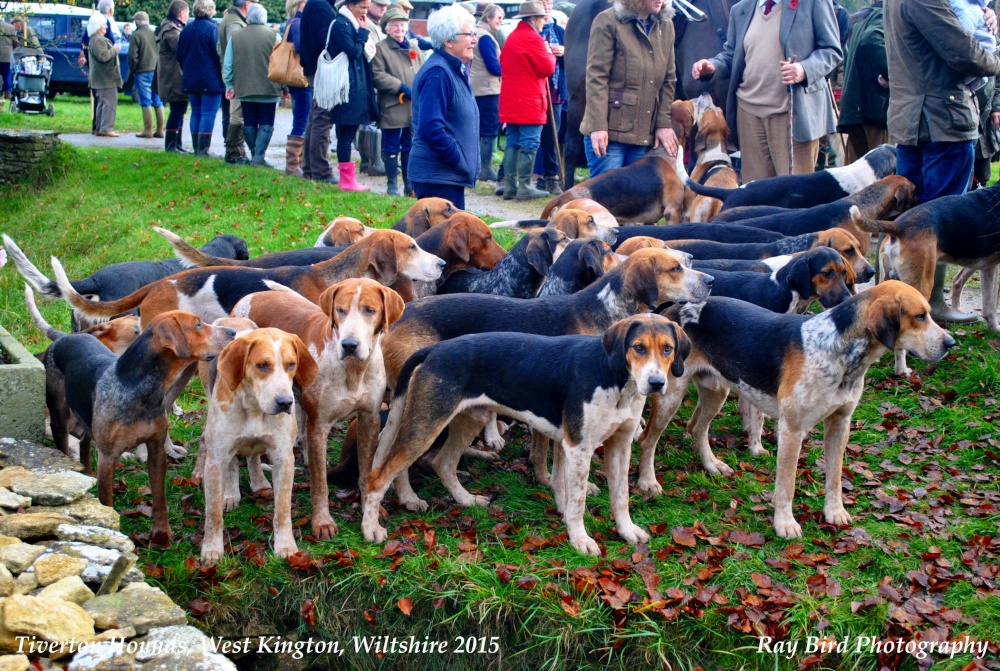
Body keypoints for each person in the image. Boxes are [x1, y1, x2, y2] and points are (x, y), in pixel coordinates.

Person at [884, 0, 1000, 322]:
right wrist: (996, 57)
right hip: (941, 119)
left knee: (906, 220)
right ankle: (929, 309)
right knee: (938, 219)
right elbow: (963, 51)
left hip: (912, 119)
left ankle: (895, 306)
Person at [692, 0, 842, 182]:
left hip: (792, 115)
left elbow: (832, 50)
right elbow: (731, 55)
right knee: (754, 196)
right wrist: (712, 66)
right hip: (749, 115)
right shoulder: (741, 9)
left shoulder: (812, 3)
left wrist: (804, 69)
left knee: (792, 196)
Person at [581, 0, 678, 180]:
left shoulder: (666, 25)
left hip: (644, 135)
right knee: (606, 201)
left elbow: (669, 79)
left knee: (635, 204)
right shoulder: (607, 21)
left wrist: (663, 123)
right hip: (609, 135)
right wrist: (598, 126)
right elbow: (596, 77)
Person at [409, 5, 481, 208]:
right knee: (440, 239)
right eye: (469, 35)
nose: (474, 40)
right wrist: (457, 158)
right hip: (438, 177)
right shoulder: (438, 73)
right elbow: (430, 128)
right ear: (448, 41)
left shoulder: (452, 69)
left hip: (447, 175)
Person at [498, 2, 555, 201]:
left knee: (513, 141)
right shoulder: (534, 39)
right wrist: (550, 53)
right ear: (532, 18)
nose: (544, 21)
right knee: (530, 142)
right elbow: (546, 68)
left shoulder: (513, 37)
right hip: (530, 98)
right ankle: (525, 186)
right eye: (541, 17)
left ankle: (510, 186)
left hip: (511, 98)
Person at [372, 7, 424, 195]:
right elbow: (377, 75)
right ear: (387, 28)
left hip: (412, 106)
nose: (399, 29)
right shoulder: (381, 48)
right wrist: (400, 87)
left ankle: (409, 185)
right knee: (391, 146)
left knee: (409, 147)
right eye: (395, 25)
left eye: (402, 25)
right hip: (393, 105)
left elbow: (422, 70)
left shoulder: (414, 47)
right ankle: (392, 184)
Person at [224, 4, 281, 166]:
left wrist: (230, 84)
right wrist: (283, 86)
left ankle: (256, 156)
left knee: (249, 121)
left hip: (244, 88)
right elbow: (282, 63)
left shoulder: (236, 36)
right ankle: (258, 158)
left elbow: (228, 65)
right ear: (264, 18)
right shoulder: (274, 35)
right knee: (266, 122)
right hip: (269, 87)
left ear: (248, 17)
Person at [837, 1, 889, 164]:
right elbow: (872, 38)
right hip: (875, 108)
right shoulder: (882, 15)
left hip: (854, 109)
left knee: (854, 174)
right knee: (884, 168)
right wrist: (891, 74)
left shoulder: (860, 19)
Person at [298, 0, 341, 184]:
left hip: (315, 68)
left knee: (315, 118)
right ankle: (320, 170)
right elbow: (325, 41)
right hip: (322, 69)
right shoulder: (321, 7)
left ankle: (310, 167)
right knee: (322, 118)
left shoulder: (317, 5)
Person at [177, 0, 225, 156]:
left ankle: (197, 148)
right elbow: (218, 54)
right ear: (211, 9)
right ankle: (203, 150)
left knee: (196, 112)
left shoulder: (186, 30)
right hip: (211, 78)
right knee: (208, 113)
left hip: (191, 77)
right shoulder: (213, 29)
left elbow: (179, 55)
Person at [534, 0, 566, 195]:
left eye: (549, 2)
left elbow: (572, 57)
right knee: (534, 135)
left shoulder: (559, 30)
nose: (546, 6)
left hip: (555, 91)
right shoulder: (532, 31)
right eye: (543, 2)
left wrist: (564, 52)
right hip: (536, 92)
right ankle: (535, 176)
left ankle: (552, 177)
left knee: (553, 135)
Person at [357, 0, 391, 177]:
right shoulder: (367, 25)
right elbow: (373, 52)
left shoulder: (375, 24)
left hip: (372, 77)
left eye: (385, 6)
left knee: (369, 122)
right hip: (370, 77)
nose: (383, 9)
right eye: (379, 5)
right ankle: (372, 162)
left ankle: (370, 161)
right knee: (370, 122)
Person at [471, 3, 503, 183]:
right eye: (499, 17)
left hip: (478, 87)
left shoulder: (479, 33)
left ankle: (481, 166)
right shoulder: (486, 38)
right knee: (489, 128)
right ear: (489, 18)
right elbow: (493, 66)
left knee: (480, 128)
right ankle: (485, 168)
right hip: (487, 89)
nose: (501, 21)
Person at [218, 0, 252, 164]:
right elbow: (237, 51)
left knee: (234, 113)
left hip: (231, 72)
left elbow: (220, 48)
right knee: (237, 115)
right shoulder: (235, 23)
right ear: (246, 4)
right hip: (237, 74)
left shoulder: (229, 18)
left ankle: (236, 151)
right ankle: (234, 152)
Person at [158, 1, 190, 153]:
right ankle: (171, 145)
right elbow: (181, 49)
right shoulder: (171, 30)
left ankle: (177, 144)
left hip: (174, 76)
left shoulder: (170, 27)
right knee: (177, 110)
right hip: (173, 77)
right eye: (187, 13)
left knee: (179, 110)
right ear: (181, 13)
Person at [129, 12, 165, 140]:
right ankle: (160, 130)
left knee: (146, 101)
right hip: (157, 71)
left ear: (137, 22)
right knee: (158, 100)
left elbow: (132, 57)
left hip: (142, 71)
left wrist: (133, 70)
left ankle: (148, 130)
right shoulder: (155, 35)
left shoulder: (136, 35)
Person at [284, 0, 310, 177]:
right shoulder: (299, 23)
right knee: (302, 120)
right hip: (300, 78)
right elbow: (302, 47)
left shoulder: (292, 22)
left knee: (301, 118)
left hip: (294, 79)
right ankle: (293, 165)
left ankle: (297, 163)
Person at [88, 13, 122, 138]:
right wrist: (115, 49)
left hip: (102, 78)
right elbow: (103, 56)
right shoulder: (98, 40)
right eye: (104, 25)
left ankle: (100, 127)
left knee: (103, 103)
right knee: (109, 102)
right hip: (105, 79)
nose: (106, 27)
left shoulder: (95, 38)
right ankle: (106, 128)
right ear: (98, 26)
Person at [1, 18, 15, 100]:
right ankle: (7, 93)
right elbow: (14, 42)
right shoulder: (11, 27)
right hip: (7, 55)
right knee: (7, 74)